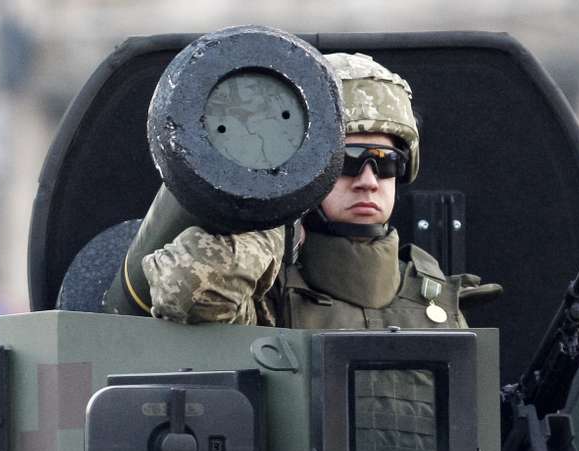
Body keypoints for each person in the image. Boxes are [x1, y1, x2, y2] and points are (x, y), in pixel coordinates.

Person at [142, 52, 499, 331]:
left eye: (386, 162)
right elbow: (188, 288)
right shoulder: (267, 297)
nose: (368, 180)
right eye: (346, 162)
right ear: (308, 171)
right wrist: (276, 213)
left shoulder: (437, 304)